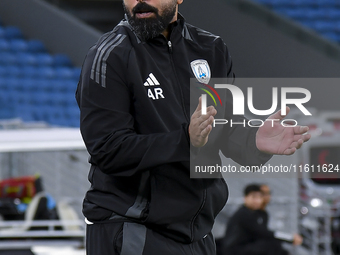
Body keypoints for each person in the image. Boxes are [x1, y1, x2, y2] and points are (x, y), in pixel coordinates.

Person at [75, 0, 311, 254]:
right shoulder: (110, 55)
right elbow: (108, 148)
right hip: (133, 228)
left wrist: (254, 141)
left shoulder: (211, 48)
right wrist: (185, 140)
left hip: (197, 234)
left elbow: (223, 129)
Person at [221, 184, 290, 255]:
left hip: (246, 247)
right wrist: (290, 239)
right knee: (271, 246)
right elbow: (261, 232)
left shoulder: (259, 214)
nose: (257, 201)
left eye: (259, 197)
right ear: (245, 198)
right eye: (254, 197)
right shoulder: (243, 214)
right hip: (236, 250)